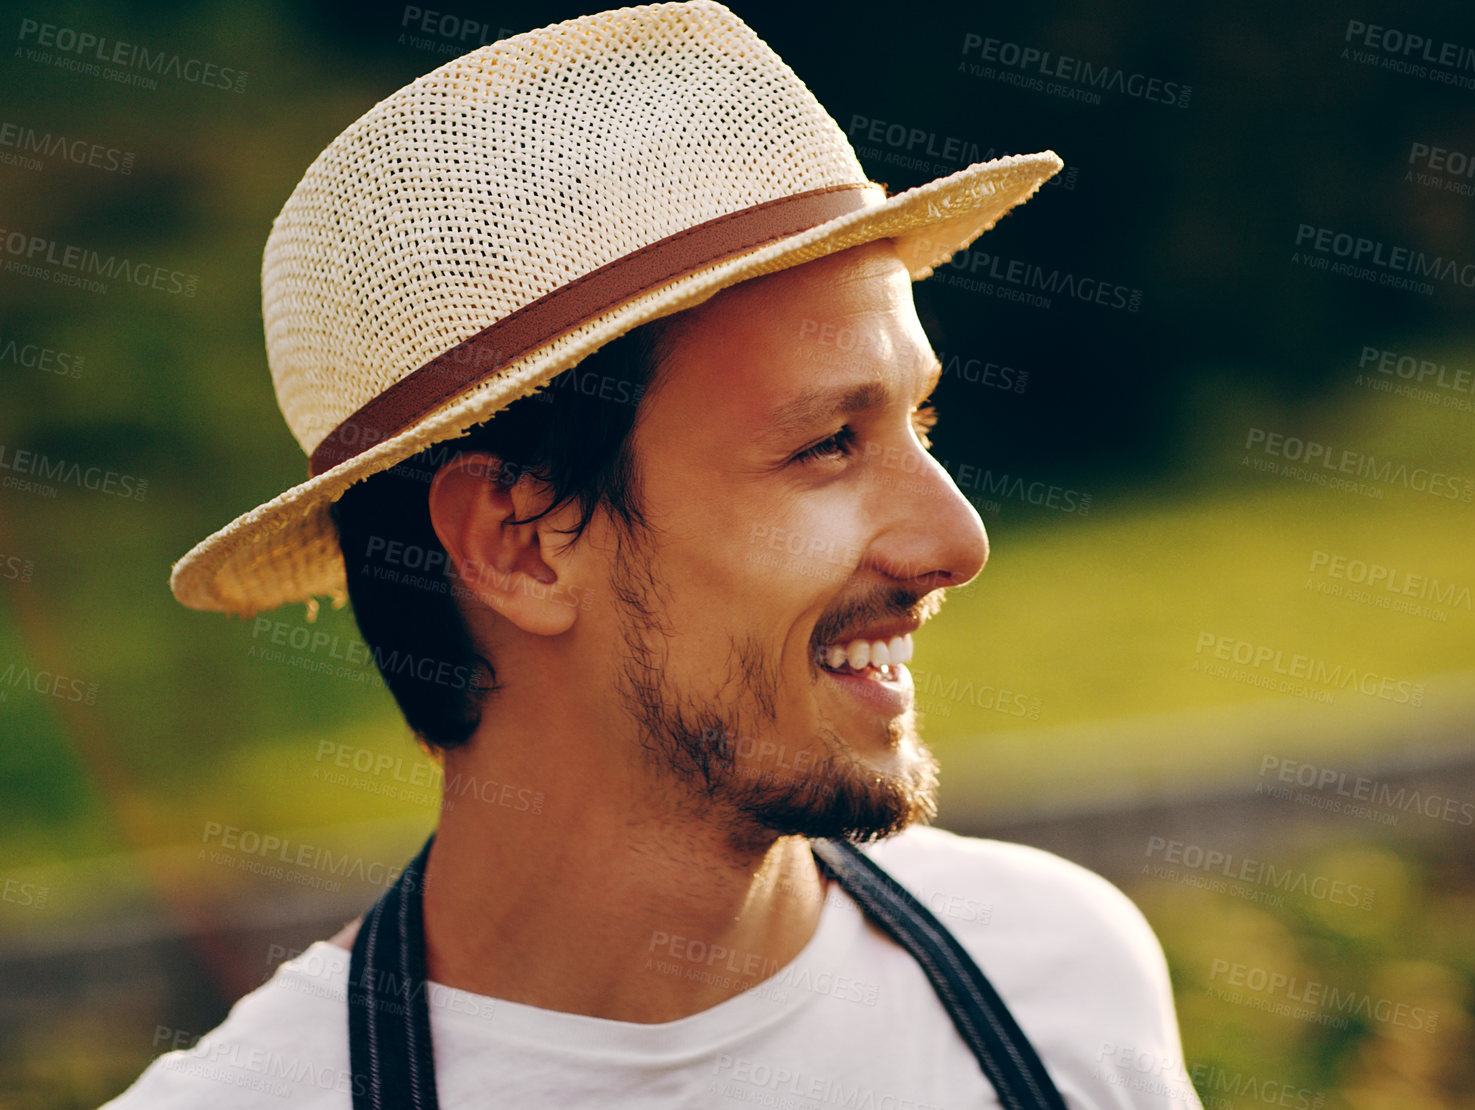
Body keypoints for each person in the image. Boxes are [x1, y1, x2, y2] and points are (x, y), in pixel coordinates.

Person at [111, 3, 1195, 1106]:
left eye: (918, 426)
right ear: (520, 545)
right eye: (828, 444)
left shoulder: (1057, 980)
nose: (957, 542)